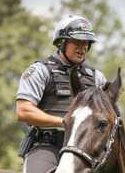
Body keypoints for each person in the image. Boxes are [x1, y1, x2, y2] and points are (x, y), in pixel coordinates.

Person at [16, 14, 107, 173]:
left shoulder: (97, 78)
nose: (83, 47)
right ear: (61, 42)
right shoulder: (40, 71)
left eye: (86, 42)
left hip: (85, 148)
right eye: (77, 42)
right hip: (47, 146)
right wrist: (65, 121)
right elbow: (24, 111)